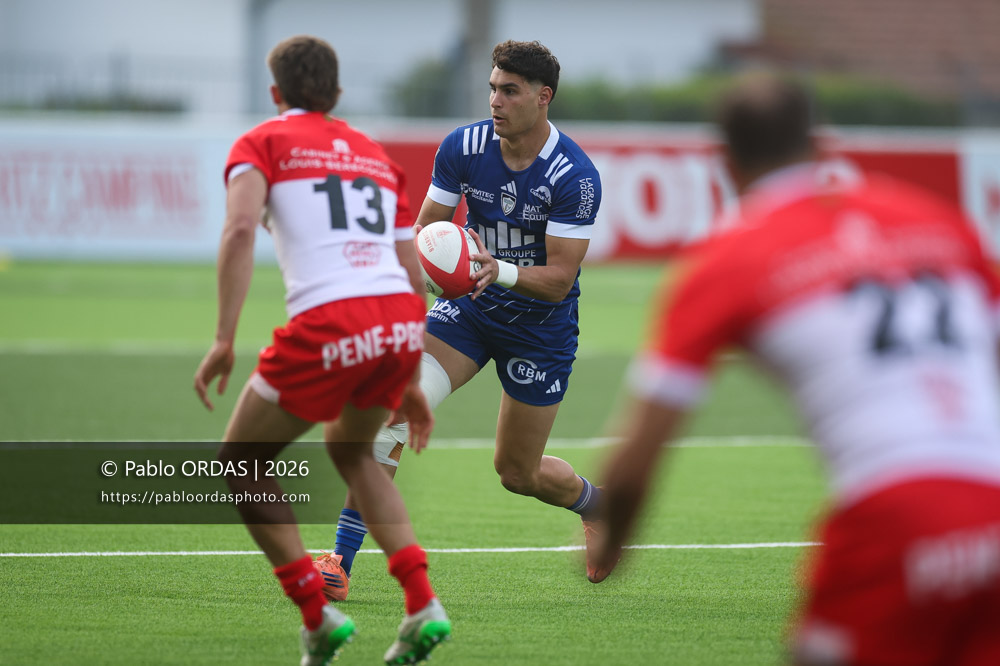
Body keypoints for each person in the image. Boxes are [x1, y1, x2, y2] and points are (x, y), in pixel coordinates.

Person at [593, 72, 1000, 665]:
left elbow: (641, 448)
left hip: (894, 517)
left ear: (724, 164)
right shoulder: (934, 218)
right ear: (821, 145)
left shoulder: (727, 261)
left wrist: (612, 540)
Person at [317, 39, 613, 600]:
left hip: (540, 329)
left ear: (543, 97)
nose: (496, 101)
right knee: (390, 415)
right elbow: (426, 230)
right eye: (493, 89)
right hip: (468, 312)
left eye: (510, 91)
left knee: (517, 473)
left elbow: (559, 279)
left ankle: (599, 506)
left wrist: (498, 269)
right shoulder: (464, 146)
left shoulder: (574, 175)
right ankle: (339, 560)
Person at [192, 35, 451, 666]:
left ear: (275, 92)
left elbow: (239, 228)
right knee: (355, 453)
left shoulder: (262, 142)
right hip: (397, 322)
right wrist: (408, 368)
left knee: (240, 461)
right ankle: (422, 603)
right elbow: (410, 267)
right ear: (336, 93)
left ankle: (316, 613)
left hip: (333, 319)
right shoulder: (373, 154)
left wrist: (224, 338)